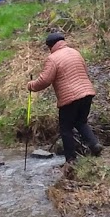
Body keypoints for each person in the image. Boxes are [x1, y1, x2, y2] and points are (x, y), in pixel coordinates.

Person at [28, 31, 102, 169]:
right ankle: (94, 144)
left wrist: (31, 85)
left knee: (66, 128)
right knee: (81, 122)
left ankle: (71, 160)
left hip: (70, 97)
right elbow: (85, 71)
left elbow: (45, 80)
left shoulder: (53, 58)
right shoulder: (75, 52)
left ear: (51, 46)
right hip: (87, 92)